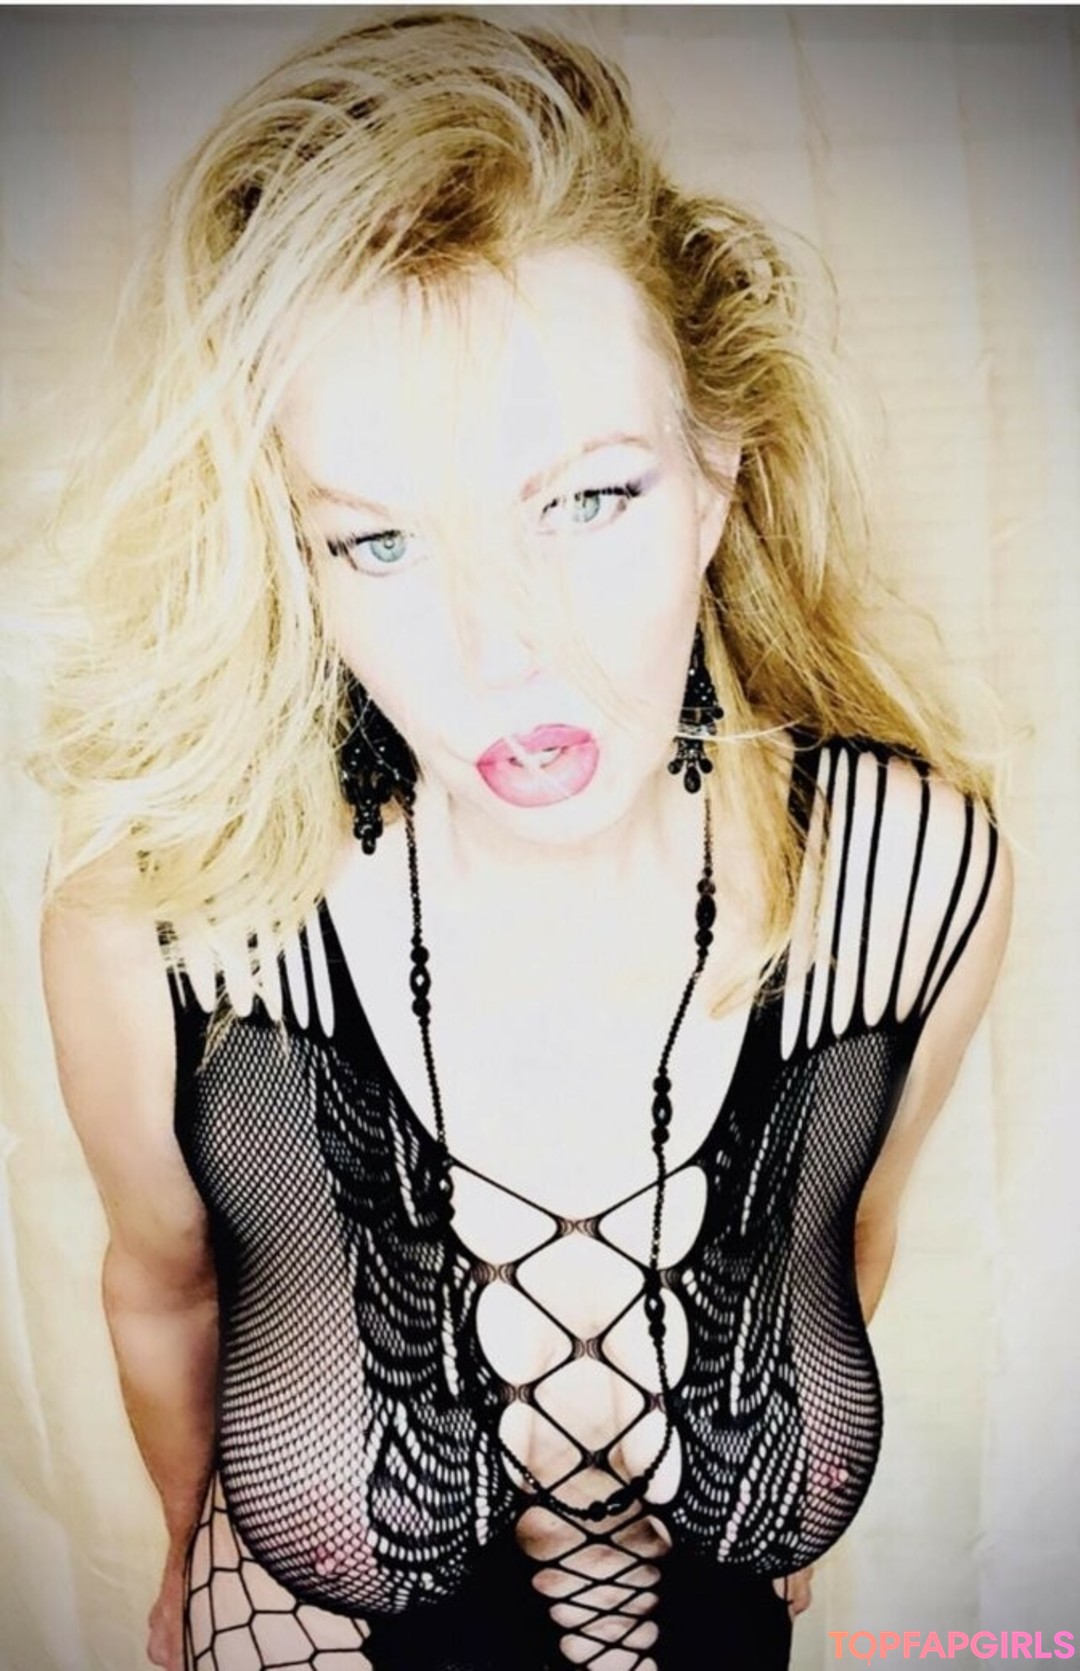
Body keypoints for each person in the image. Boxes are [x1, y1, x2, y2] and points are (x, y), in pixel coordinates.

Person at [32, 11, 1012, 1671]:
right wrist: (195, 1551)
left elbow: (843, 1231)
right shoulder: (164, 928)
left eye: (588, 500)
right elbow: (163, 1290)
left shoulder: (911, 890)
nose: (502, 651)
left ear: (716, 474)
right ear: (293, 560)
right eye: (381, 541)